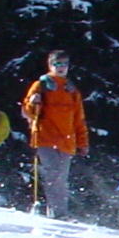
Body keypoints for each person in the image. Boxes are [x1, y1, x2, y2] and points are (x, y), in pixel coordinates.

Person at [21, 51, 87, 218]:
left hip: (66, 141)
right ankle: (58, 213)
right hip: (46, 138)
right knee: (54, 175)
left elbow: (79, 119)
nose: (61, 67)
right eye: (57, 64)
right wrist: (32, 102)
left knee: (60, 178)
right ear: (50, 65)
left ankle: (56, 212)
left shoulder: (71, 90)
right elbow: (27, 111)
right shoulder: (41, 85)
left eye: (64, 64)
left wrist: (82, 142)